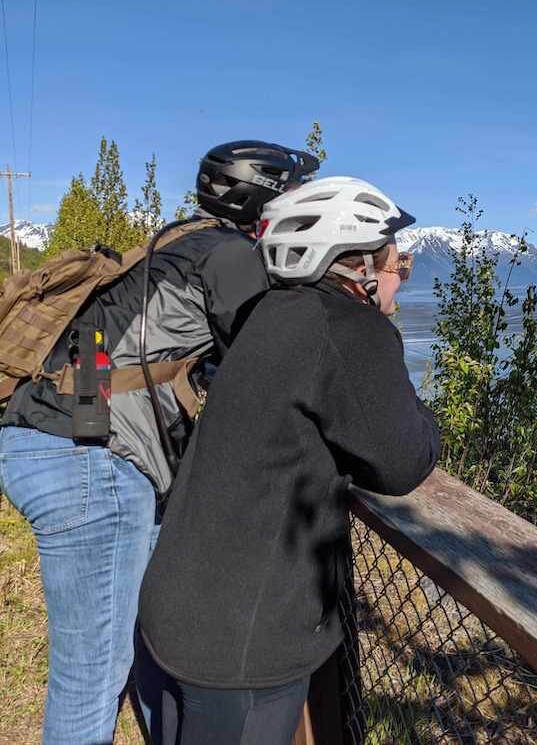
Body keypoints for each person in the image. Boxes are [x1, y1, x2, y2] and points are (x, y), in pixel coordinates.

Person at [0, 140, 319, 744]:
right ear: (268, 198)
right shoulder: (230, 256)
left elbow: (99, 356)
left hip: (50, 438)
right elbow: (270, 364)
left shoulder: (173, 243)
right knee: (92, 676)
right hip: (89, 465)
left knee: (144, 641)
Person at [138, 176, 439, 744]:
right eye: (401, 264)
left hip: (176, 614)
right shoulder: (350, 328)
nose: (403, 278)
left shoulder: (269, 316)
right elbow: (404, 460)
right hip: (240, 653)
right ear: (360, 270)